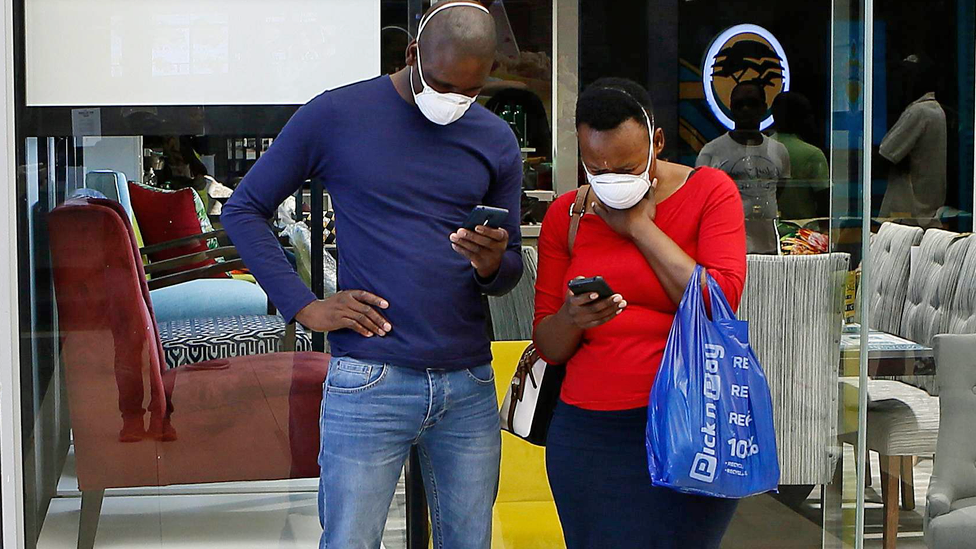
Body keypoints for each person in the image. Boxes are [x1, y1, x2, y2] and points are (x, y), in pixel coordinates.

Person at [221, 2, 523, 548]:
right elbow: (244, 209)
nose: (454, 100)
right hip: (370, 379)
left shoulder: (495, 138)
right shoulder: (336, 115)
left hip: (468, 381)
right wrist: (303, 304)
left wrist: (490, 263)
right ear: (413, 55)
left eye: (471, 91)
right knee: (350, 542)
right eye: (443, 83)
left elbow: (508, 273)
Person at [533, 77, 746, 549]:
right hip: (590, 433)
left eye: (627, 166)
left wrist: (638, 228)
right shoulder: (566, 216)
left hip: (693, 424)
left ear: (658, 143)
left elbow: (717, 304)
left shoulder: (710, 191)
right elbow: (547, 344)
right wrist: (573, 318)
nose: (610, 177)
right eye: (595, 167)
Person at [697, 79, 791, 254]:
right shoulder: (711, 152)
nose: (746, 110)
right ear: (731, 108)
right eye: (739, 105)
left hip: (768, 247)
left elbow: (779, 192)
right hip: (726, 248)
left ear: (764, 108)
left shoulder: (778, 150)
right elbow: (702, 202)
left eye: (752, 104)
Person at [879, 55, 947, 228]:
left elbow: (886, 154)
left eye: (906, 77)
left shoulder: (918, 112)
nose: (901, 84)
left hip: (908, 216)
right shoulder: (936, 110)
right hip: (926, 213)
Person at [770, 91, 830, 220]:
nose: (812, 119)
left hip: (768, 231)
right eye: (808, 114)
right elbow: (824, 202)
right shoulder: (812, 154)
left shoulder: (761, 150)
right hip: (804, 234)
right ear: (800, 118)